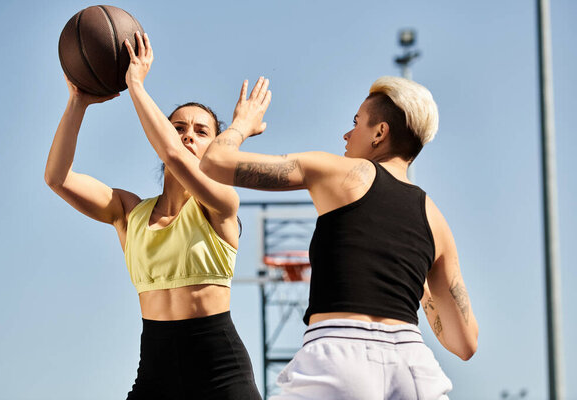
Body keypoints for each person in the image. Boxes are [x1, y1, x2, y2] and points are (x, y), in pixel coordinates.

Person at [200, 76, 479, 399]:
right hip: (415, 370)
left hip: (340, 357)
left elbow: (215, 162)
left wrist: (241, 125)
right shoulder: (435, 219)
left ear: (380, 132)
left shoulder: (339, 172)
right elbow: (465, 343)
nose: (346, 134)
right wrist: (413, 281)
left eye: (356, 123)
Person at [44, 32, 261, 399]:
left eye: (201, 131)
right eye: (177, 128)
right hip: (155, 373)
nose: (187, 136)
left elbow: (175, 155)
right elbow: (57, 177)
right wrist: (77, 103)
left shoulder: (221, 204)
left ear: (214, 146)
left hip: (220, 372)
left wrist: (135, 85)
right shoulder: (129, 212)